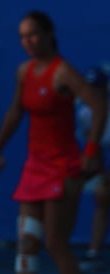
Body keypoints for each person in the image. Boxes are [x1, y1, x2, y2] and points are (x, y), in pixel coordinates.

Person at [0, 10, 107, 274]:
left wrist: (90, 151)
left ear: (48, 35)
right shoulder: (24, 71)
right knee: (27, 243)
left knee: (55, 244)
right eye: (23, 37)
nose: (27, 41)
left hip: (62, 167)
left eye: (33, 35)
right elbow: (15, 112)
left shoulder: (63, 71)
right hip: (35, 166)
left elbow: (100, 106)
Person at [76, 67, 110, 272]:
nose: (93, 92)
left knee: (102, 194)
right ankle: (94, 251)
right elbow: (92, 146)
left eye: (97, 87)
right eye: (90, 88)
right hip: (102, 161)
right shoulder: (85, 113)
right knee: (101, 196)